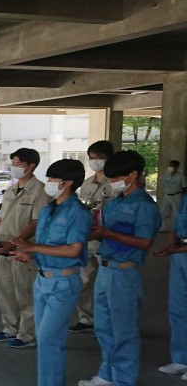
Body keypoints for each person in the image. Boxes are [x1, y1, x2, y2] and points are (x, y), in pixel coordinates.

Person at [78, 151, 161, 386]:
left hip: (125, 272)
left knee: (124, 329)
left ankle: (124, 382)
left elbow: (144, 242)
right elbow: (104, 231)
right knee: (104, 327)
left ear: (133, 175)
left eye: (116, 177)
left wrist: (108, 234)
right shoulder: (113, 203)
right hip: (105, 268)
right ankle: (107, 373)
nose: (113, 182)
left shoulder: (144, 206)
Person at [11, 160, 92, 386]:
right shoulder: (48, 210)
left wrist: (33, 247)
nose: (49, 183)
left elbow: (73, 249)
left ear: (67, 183)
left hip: (64, 281)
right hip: (43, 279)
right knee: (43, 336)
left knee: (50, 336)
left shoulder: (78, 212)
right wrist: (28, 254)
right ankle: (46, 385)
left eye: (53, 179)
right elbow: (46, 247)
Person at [0, 148, 51, 349]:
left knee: (24, 291)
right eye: (13, 163)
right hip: (2, 247)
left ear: (31, 166)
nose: (14, 167)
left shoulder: (40, 190)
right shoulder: (10, 190)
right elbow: (2, 219)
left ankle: (27, 334)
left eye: (19, 164)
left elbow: (37, 221)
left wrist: (14, 243)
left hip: (22, 249)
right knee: (5, 291)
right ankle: (10, 328)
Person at [70, 141, 115, 333]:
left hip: (107, 236)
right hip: (87, 236)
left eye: (100, 157)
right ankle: (87, 318)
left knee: (107, 283)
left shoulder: (115, 182)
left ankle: (108, 323)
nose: (96, 161)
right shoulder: (87, 183)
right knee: (83, 280)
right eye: (92, 158)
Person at [154, 193, 187, 381]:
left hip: (182, 250)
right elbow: (176, 223)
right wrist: (172, 243)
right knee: (178, 308)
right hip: (180, 255)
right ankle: (181, 358)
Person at [160, 159, 187, 232]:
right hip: (167, 195)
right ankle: (164, 227)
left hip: (176, 195)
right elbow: (163, 184)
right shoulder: (166, 175)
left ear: (177, 167)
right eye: (169, 166)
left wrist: (183, 197)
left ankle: (176, 229)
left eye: (172, 166)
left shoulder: (181, 177)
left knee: (176, 212)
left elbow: (185, 187)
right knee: (165, 212)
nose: (170, 167)